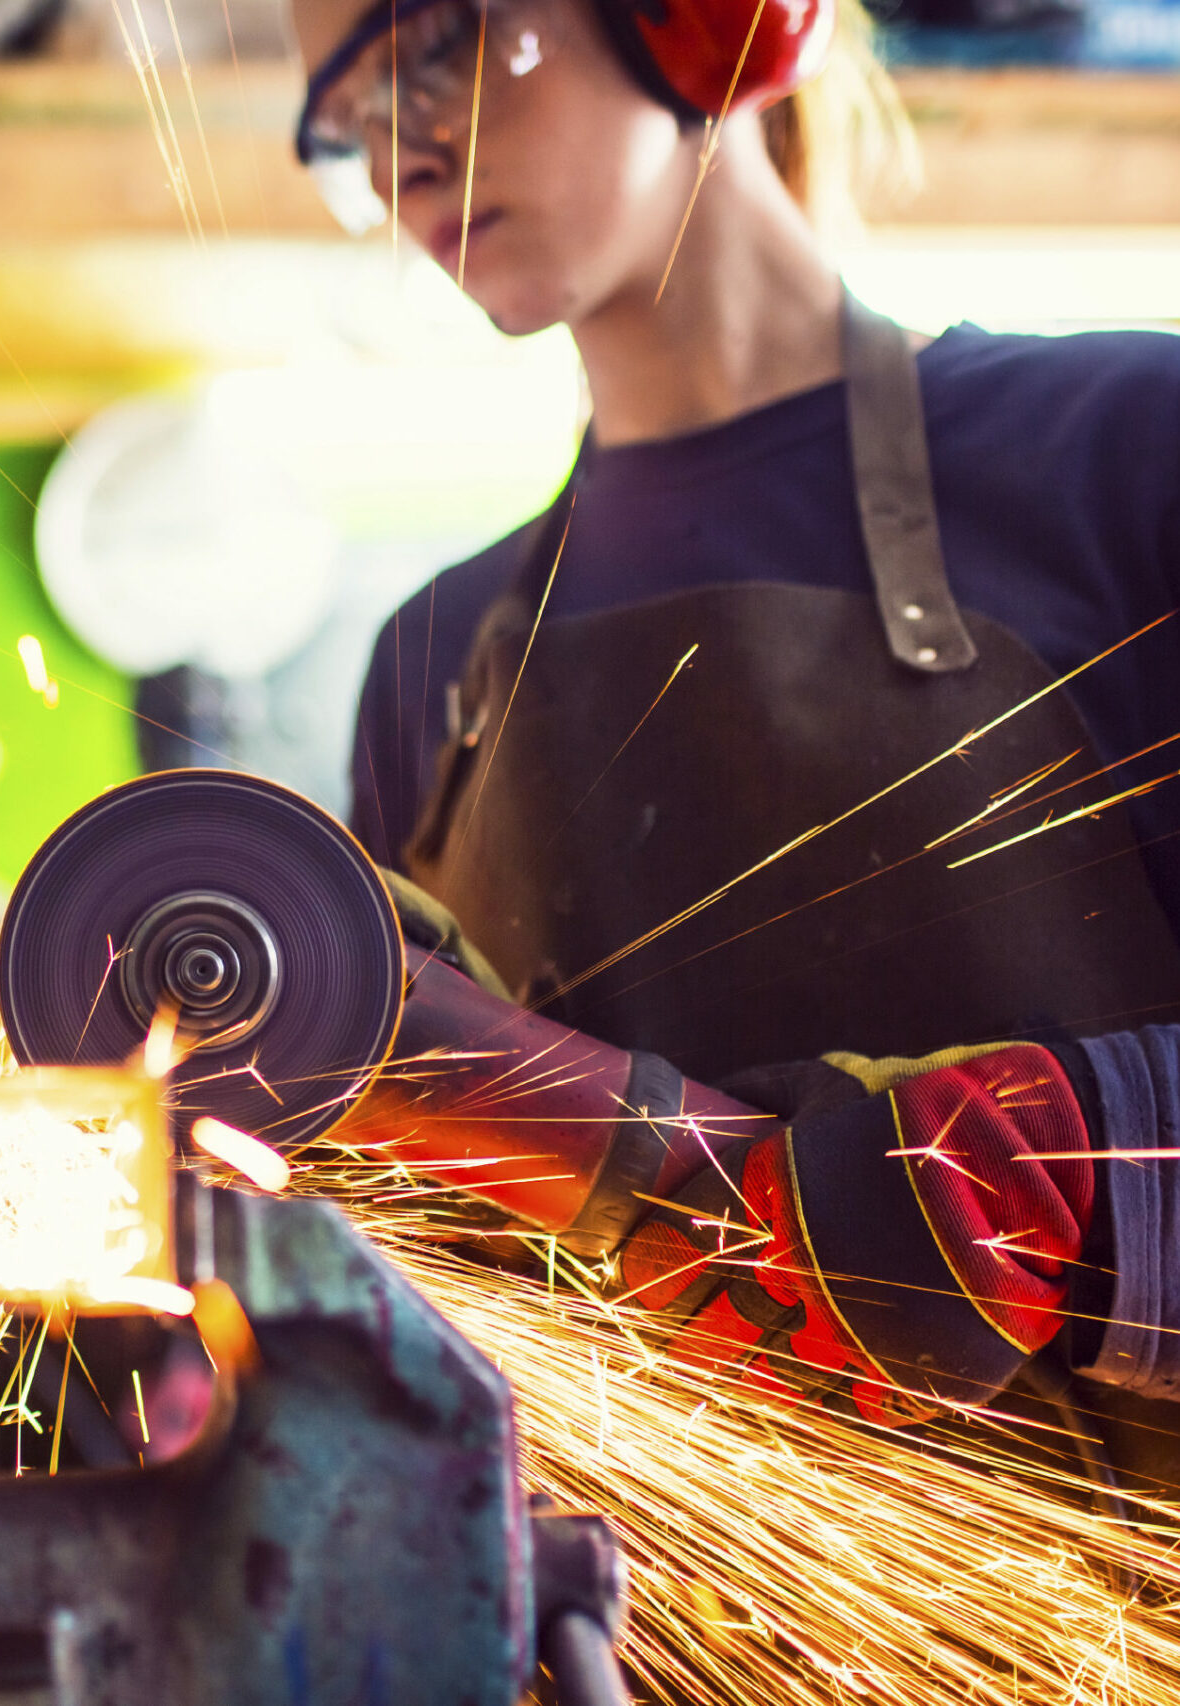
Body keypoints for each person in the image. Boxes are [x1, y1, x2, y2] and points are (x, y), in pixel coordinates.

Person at [287, 0, 1180, 1481]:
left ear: (704, 24)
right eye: (344, 113)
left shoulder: (1125, 457)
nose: (397, 151)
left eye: (439, 44)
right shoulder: (430, 668)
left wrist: (1085, 1171)